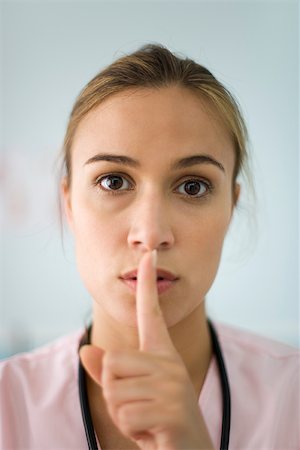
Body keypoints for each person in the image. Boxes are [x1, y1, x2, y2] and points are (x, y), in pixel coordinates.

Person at [0, 43, 298, 450]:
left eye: (193, 186)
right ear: (68, 204)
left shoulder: (291, 396)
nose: (151, 232)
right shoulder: (7, 404)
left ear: (231, 205)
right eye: (114, 181)